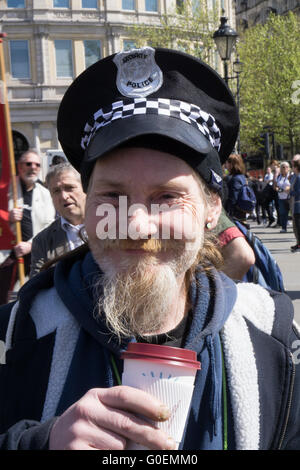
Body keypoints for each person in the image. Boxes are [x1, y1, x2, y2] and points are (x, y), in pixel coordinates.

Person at [0, 47, 299, 451]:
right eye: (112, 195)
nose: (137, 225)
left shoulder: (271, 335)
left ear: (212, 207)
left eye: (166, 197)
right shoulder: (17, 336)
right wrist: (39, 443)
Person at [0, 149, 55, 305]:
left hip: (35, 252)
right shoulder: (5, 191)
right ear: (19, 166)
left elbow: (49, 224)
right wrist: (7, 218)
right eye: (28, 163)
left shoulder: (45, 194)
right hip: (8, 255)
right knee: (4, 297)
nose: (33, 167)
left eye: (37, 165)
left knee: (33, 296)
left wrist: (30, 245)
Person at [30, 163, 86, 277]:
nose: (64, 196)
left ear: (85, 188)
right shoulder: (42, 241)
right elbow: (36, 286)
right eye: (56, 191)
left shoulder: (109, 229)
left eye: (69, 188)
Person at [224, 153, 248, 224]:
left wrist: (228, 213)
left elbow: (233, 197)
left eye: (227, 163)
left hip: (235, 213)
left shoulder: (235, 179)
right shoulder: (242, 177)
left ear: (231, 164)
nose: (226, 166)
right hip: (241, 210)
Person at [274, 161, 291, 233]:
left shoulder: (291, 176)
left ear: (288, 168)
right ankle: (284, 228)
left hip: (290, 198)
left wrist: (284, 189)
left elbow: (291, 186)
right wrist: (277, 188)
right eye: (281, 167)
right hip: (281, 198)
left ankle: (296, 228)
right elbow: (276, 186)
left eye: (284, 167)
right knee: (283, 213)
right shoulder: (279, 176)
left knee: (294, 214)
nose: (283, 169)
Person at [290, 158, 300, 252]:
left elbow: (298, 191)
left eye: (293, 166)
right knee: (297, 225)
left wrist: (291, 192)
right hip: (296, 204)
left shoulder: (298, 177)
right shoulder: (296, 176)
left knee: (298, 225)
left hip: (298, 204)